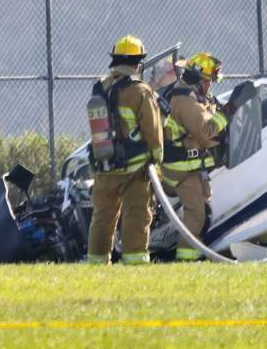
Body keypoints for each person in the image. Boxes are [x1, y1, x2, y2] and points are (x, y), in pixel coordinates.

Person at [86, 35, 163, 265]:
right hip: (134, 168)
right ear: (137, 63)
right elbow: (153, 129)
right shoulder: (140, 91)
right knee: (136, 214)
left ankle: (97, 261)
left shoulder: (100, 87)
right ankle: (135, 261)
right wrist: (157, 160)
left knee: (102, 217)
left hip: (103, 164)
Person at [161, 52, 228, 261]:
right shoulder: (185, 100)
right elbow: (207, 133)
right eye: (208, 81)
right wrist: (227, 114)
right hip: (182, 170)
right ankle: (185, 259)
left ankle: (194, 254)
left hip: (192, 167)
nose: (210, 86)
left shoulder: (194, 96)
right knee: (196, 214)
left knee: (203, 213)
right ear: (198, 79)